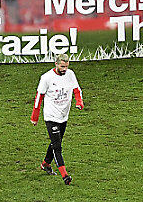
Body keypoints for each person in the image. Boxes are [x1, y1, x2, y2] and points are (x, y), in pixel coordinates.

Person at [31, 54, 84, 186]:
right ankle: (65, 176)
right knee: (57, 146)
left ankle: (45, 164)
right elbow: (39, 97)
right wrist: (35, 116)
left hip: (63, 116)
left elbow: (77, 90)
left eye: (66, 66)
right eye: (62, 66)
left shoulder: (70, 74)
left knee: (56, 142)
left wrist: (79, 102)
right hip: (51, 116)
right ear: (56, 64)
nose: (64, 69)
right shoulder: (47, 78)